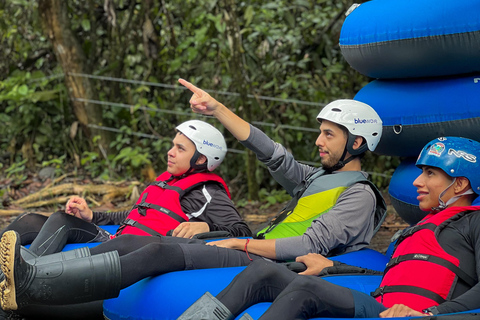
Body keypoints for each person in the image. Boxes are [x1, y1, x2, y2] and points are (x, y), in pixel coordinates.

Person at [0, 81, 386, 312]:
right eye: (320, 132)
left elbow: (309, 243)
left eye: (328, 135)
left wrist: (240, 238)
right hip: (250, 247)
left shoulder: (360, 196)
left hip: (268, 256)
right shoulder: (315, 177)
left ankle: (37, 283)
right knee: (137, 240)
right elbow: (271, 152)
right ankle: (31, 274)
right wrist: (217, 109)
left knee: (157, 250)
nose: (318, 141)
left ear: (357, 142)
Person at [178, 136, 480, 320]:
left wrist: (431, 314)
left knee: (307, 289)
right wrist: (332, 265)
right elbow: (399, 275)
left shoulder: (473, 221)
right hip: (380, 304)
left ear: (461, 183)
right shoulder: (419, 228)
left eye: (430, 173)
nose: (417, 181)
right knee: (263, 271)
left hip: (414, 314)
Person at [0, 119, 251, 257]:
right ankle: (12, 273)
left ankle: (22, 277)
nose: (170, 153)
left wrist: (207, 226)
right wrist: (92, 216)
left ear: (201, 160)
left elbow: (242, 231)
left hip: (137, 251)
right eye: (173, 145)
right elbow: (135, 216)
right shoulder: (166, 180)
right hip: (118, 238)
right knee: (43, 219)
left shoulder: (207, 192)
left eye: (180, 149)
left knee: (117, 240)